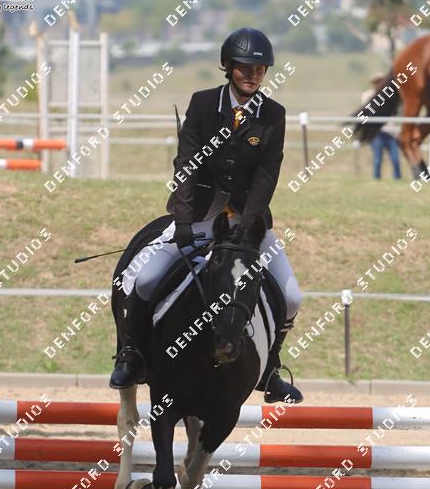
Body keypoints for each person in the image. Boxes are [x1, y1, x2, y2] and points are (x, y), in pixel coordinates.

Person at [110, 27, 303, 404]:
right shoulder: (203, 104)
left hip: (248, 224)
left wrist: (247, 227)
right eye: (245, 68)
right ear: (228, 66)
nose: (253, 75)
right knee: (145, 278)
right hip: (200, 216)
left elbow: (267, 176)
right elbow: (186, 166)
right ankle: (131, 355)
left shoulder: (273, 115)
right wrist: (183, 223)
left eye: (260, 69)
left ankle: (271, 369)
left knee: (292, 296)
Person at [361, 73, 401, 179]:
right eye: (377, 82)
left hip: (391, 132)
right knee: (377, 159)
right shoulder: (368, 95)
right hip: (376, 133)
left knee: (395, 159)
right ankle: (376, 179)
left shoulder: (391, 95)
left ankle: (397, 179)